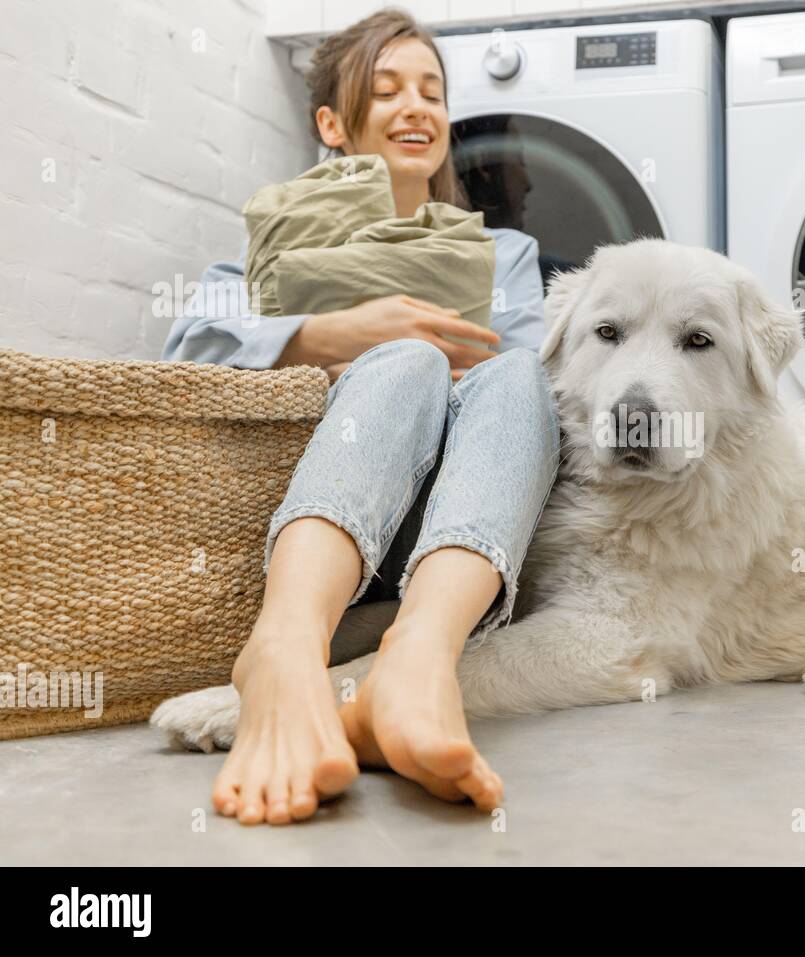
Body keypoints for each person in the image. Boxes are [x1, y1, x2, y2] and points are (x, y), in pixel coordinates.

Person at [162, 9, 559, 825]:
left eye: (432, 92)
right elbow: (185, 349)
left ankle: (417, 660)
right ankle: (283, 645)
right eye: (387, 92)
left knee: (522, 372)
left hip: (451, 533)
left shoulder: (504, 255)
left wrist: (449, 357)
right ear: (332, 123)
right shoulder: (283, 241)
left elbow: (530, 405)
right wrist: (330, 335)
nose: (417, 107)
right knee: (407, 359)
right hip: (324, 517)